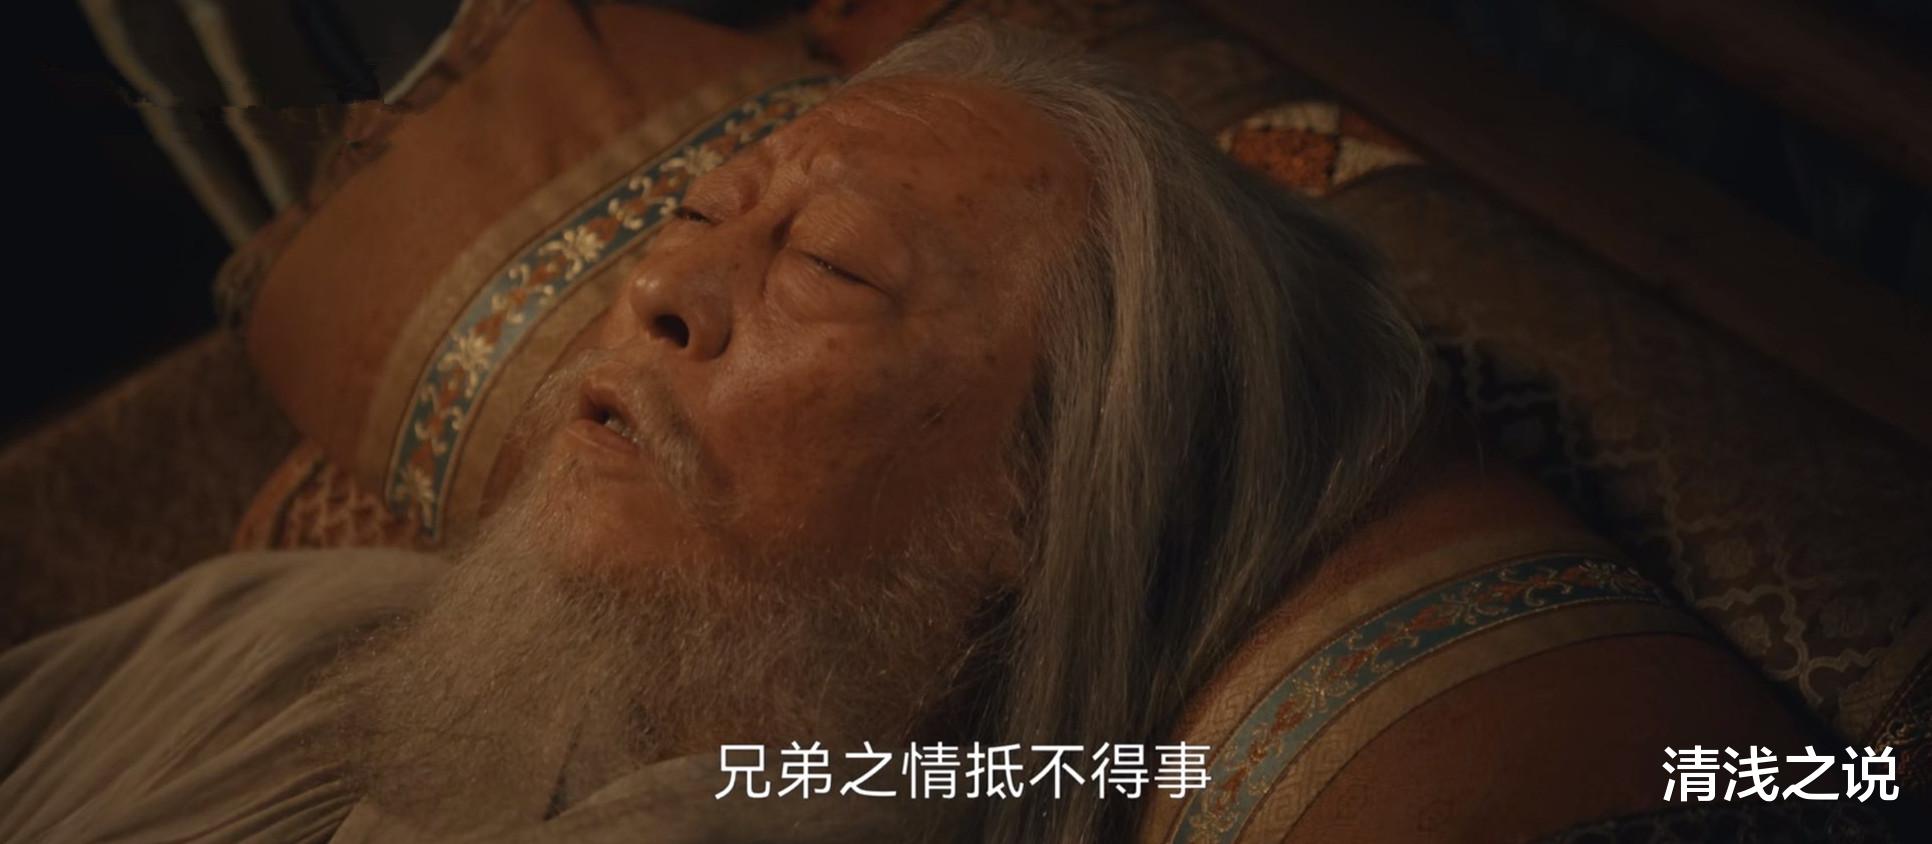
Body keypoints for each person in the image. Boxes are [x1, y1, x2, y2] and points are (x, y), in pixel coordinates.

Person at [0, 21, 1429, 843]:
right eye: (697, 213)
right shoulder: (309, 628)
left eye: (833, 266)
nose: (656, 293)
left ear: (1043, 497)